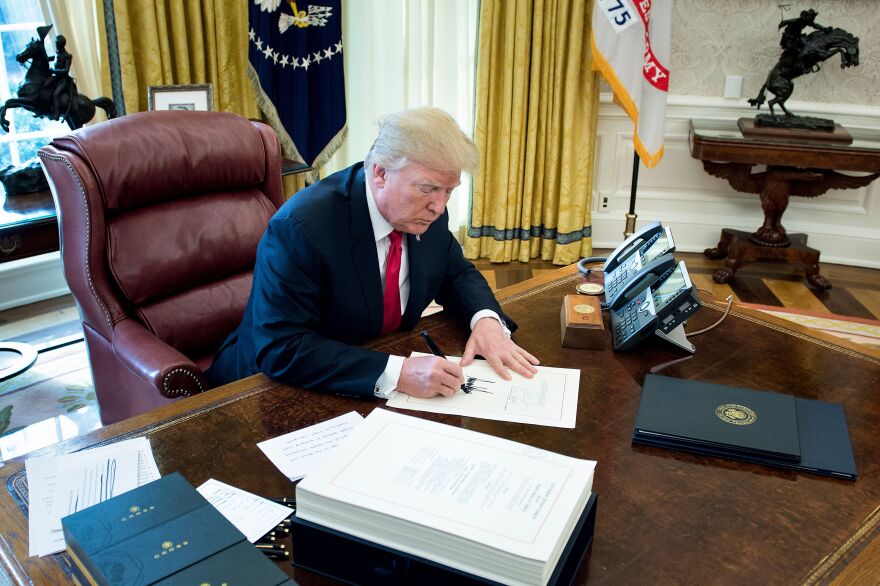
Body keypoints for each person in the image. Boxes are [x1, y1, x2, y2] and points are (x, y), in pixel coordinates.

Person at [206, 107, 539, 399]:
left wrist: (486, 321)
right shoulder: (301, 229)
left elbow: (454, 272)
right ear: (380, 173)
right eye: (427, 189)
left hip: (367, 358)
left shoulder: (426, 212)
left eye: (449, 190)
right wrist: (398, 374)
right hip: (261, 389)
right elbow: (282, 347)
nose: (439, 206)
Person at [45, 34, 73, 120]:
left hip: (63, 80)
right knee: (44, 86)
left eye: (57, 43)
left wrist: (54, 71)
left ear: (60, 44)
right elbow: (52, 59)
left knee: (55, 94)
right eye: (55, 43)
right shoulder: (57, 53)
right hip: (55, 78)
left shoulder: (67, 56)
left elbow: (66, 70)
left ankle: (56, 114)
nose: (56, 45)